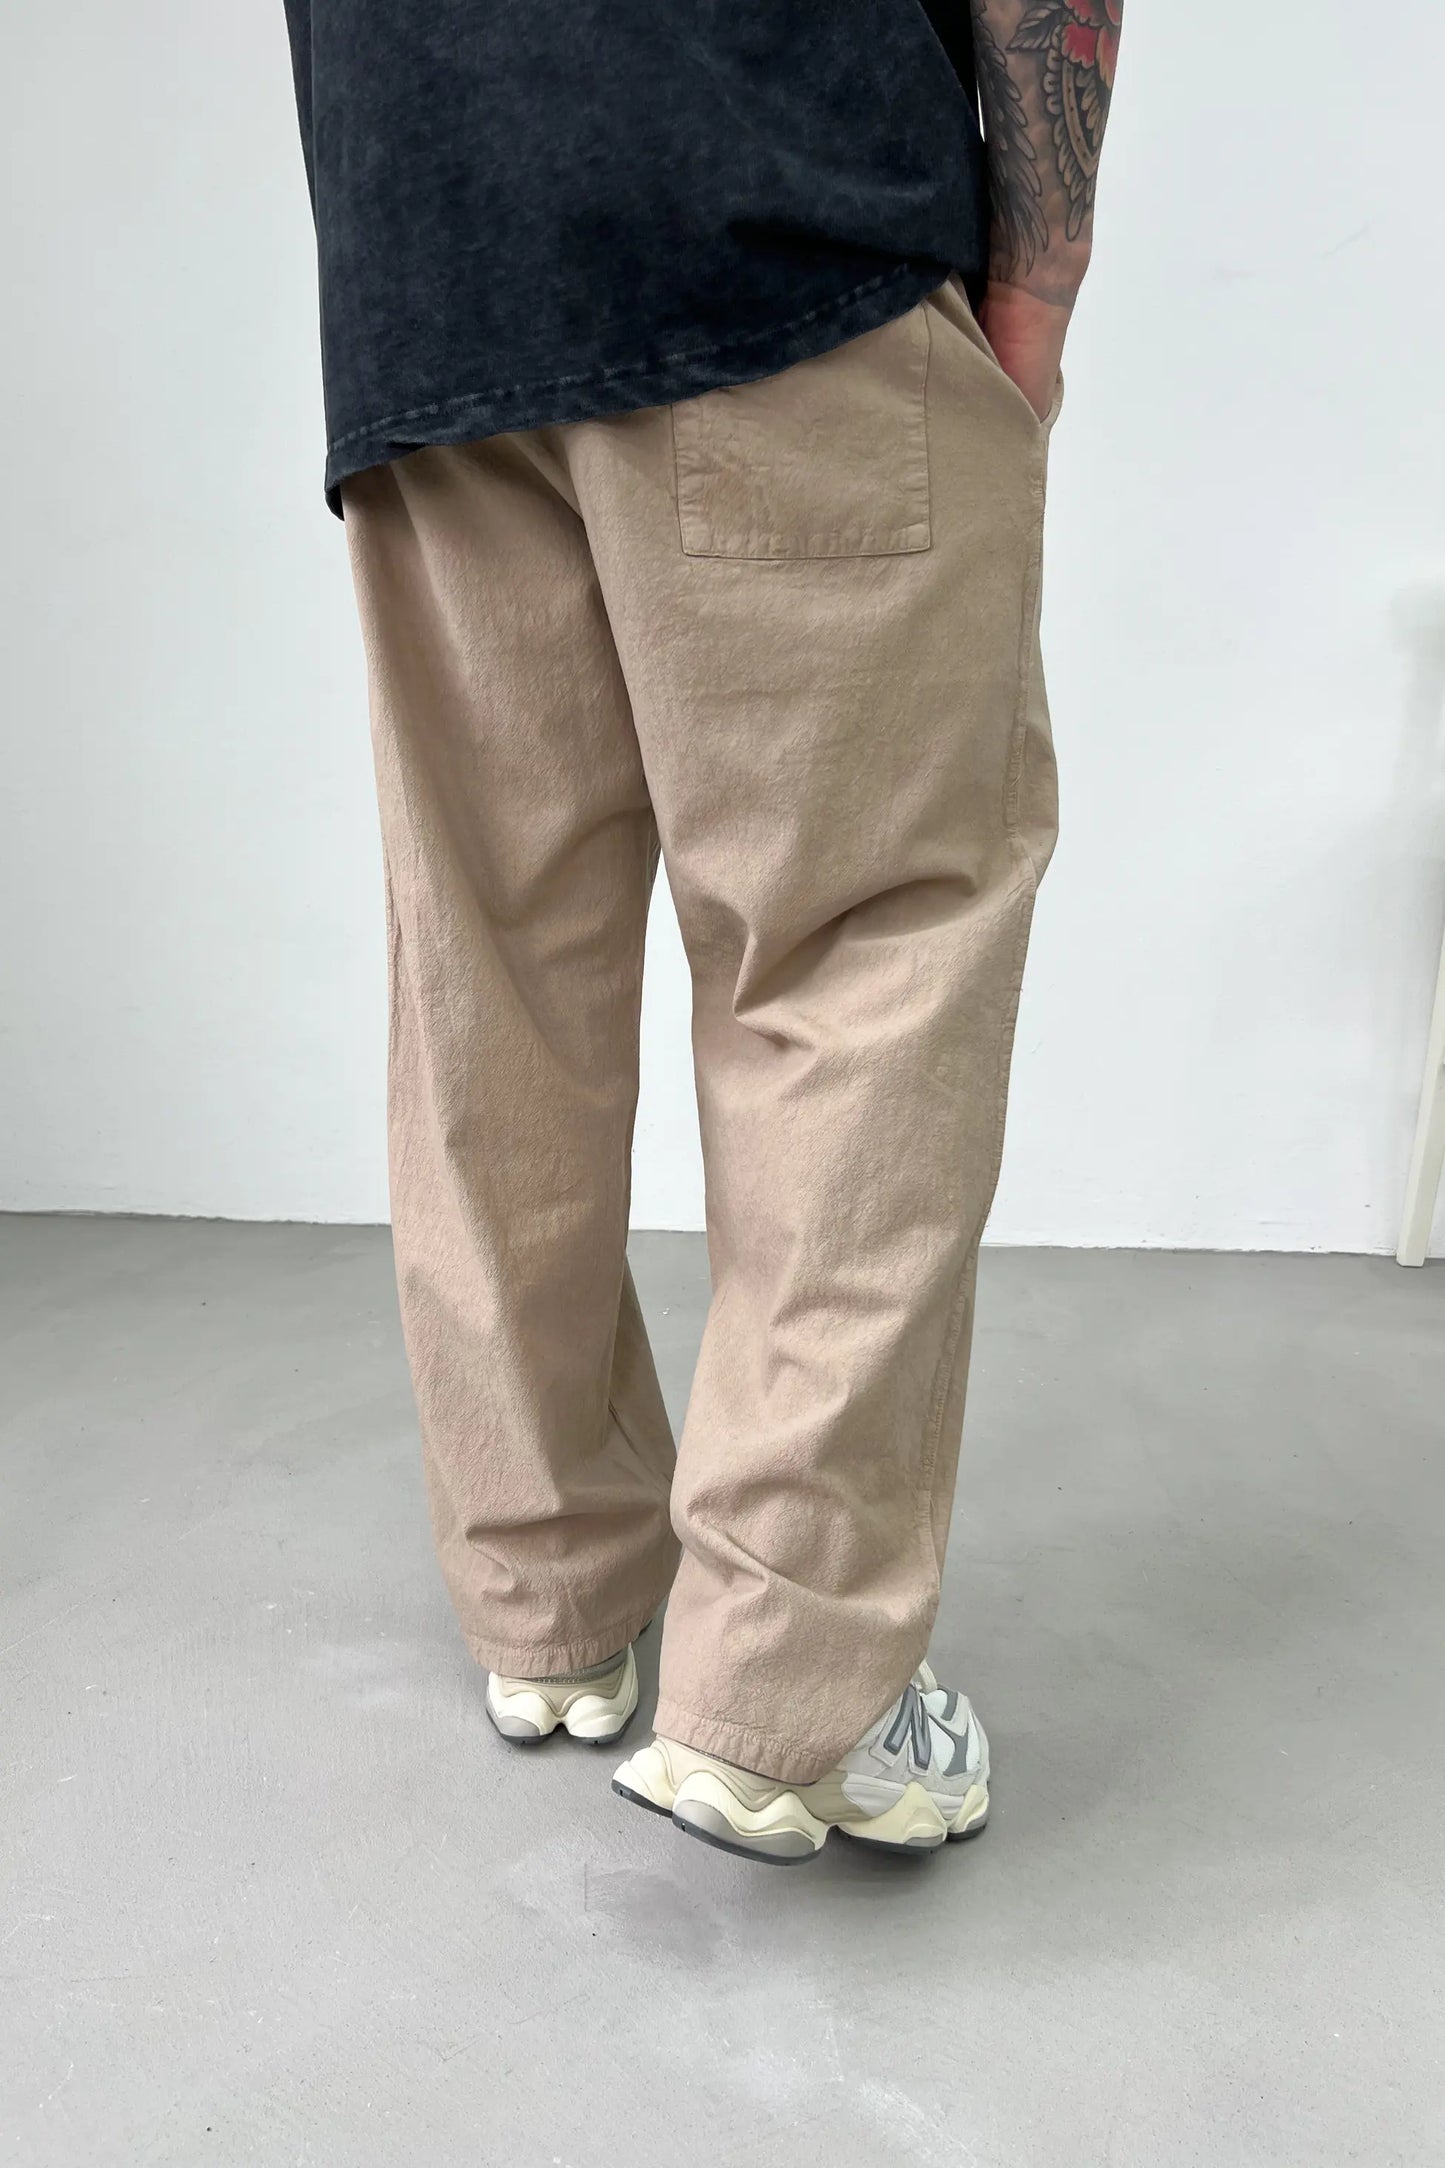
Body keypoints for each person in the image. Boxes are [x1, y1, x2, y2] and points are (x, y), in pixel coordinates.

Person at [282, 0, 1121, 1864]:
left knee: (493, 968)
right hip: (778, 210)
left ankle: (550, 1600)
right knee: (859, 955)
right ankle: (793, 1691)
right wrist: (1037, 291)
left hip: (429, 264)